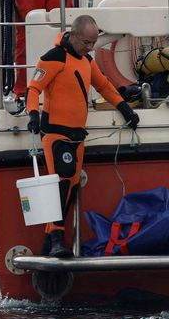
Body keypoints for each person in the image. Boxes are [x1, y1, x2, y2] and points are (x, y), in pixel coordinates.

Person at [26, 15, 140, 257]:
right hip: (56, 133)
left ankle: (48, 244)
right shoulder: (53, 58)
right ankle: (58, 240)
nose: (90, 47)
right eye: (87, 42)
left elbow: (104, 86)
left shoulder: (86, 61)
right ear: (75, 35)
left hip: (77, 135)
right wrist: (33, 114)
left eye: (93, 43)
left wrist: (124, 108)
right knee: (62, 183)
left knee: (71, 187)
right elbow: (33, 88)